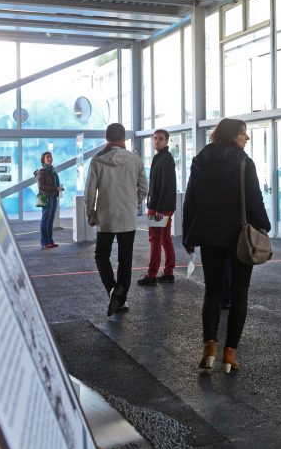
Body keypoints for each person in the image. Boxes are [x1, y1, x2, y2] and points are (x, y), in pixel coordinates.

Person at [182, 118, 270, 374]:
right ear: (234, 136)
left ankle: (209, 347)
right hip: (239, 235)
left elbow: (191, 201)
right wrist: (264, 226)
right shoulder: (244, 162)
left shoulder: (199, 161)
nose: (247, 138)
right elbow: (255, 200)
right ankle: (230, 353)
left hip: (209, 234)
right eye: (244, 133)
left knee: (212, 292)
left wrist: (189, 235)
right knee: (240, 294)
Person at [85, 123, 148, 318]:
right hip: (127, 219)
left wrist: (91, 214)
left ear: (107, 138)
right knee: (125, 259)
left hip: (105, 217)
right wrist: (133, 203)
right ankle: (120, 298)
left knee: (101, 256)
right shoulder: (135, 160)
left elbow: (90, 192)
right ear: (123, 139)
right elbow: (144, 188)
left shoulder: (97, 161)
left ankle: (113, 289)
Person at [137, 129, 177, 286]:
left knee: (155, 239)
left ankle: (152, 275)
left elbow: (166, 186)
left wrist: (158, 209)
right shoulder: (160, 157)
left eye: (160, 139)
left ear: (167, 141)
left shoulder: (165, 159)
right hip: (161, 205)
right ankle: (168, 273)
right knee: (164, 239)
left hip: (160, 207)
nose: (157, 141)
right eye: (155, 138)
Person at [35, 151, 63, 249]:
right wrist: (55, 188)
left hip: (53, 196)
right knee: (45, 219)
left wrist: (58, 188)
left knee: (50, 220)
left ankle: (50, 241)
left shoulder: (52, 170)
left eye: (51, 157)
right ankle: (44, 242)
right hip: (46, 197)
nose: (50, 158)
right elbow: (41, 186)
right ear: (43, 159)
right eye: (47, 157)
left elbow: (53, 183)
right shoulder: (42, 171)